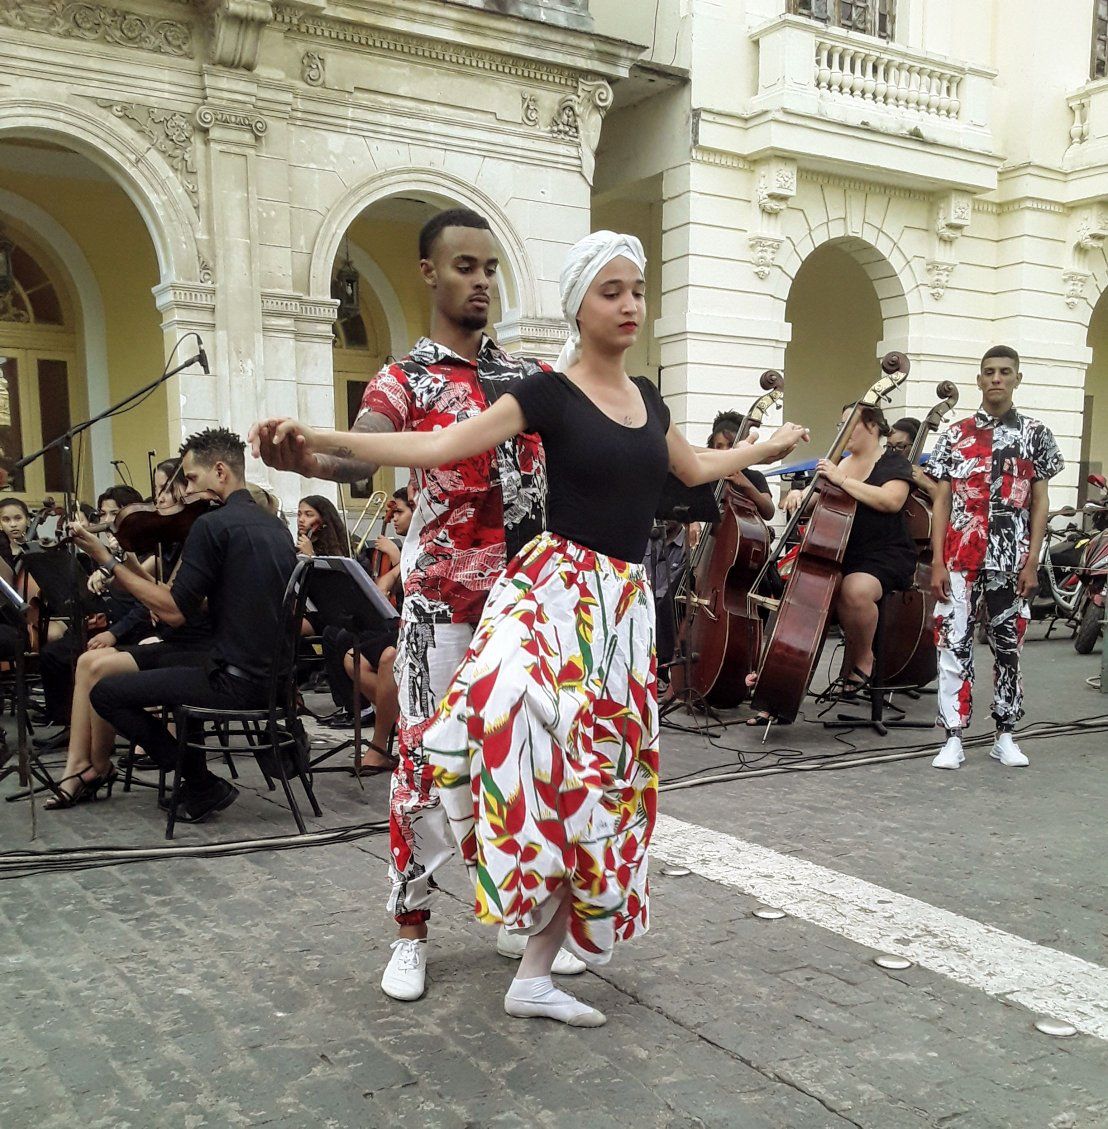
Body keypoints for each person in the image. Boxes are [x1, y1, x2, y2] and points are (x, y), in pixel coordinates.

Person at [253, 230, 808, 1026]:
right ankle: (415, 927)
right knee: (457, 746)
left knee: (582, 777)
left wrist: (769, 447)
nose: (629, 304)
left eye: (637, 291)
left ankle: (534, 928)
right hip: (510, 596)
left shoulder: (610, 389)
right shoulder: (500, 386)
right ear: (577, 304)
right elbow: (432, 444)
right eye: (611, 290)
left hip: (608, 611)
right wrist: (319, 447)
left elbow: (688, 468)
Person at [250, 207, 559, 1001]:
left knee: (515, 765)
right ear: (429, 273)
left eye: (489, 267)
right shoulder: (405, 379)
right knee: (423, 770)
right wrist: (305, 454)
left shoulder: (524, 377)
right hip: (439, 615)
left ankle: (509, 902)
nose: (481, 280)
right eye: (464, 266)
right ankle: (411, 930)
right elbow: (356, 454)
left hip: (521, 611)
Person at [68, 428, 297, 820]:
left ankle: (201, 782)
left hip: (233, 682)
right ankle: (196, 782)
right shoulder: (274, 526)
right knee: (165, 668)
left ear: (220, 472)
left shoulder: (213, 526)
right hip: (275, 683)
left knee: (105, 694)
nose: (186, 490)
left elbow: (173, 612)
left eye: (191, 478)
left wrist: (106, 559)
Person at [928, 346, 1063, 770]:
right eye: (989, 372)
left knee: (1010, 646)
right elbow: (942, 500)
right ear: (979, 379)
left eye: (1005, 372)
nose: (997, 379)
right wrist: (935, 560)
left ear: (1017, 378)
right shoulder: (956, 433)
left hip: (1012, 555)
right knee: (952, 644)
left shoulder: (1036, 434)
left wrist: (1032, 560)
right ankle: (953, 735)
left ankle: (1005, 732)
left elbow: (1040, 501)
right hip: (960, 556)